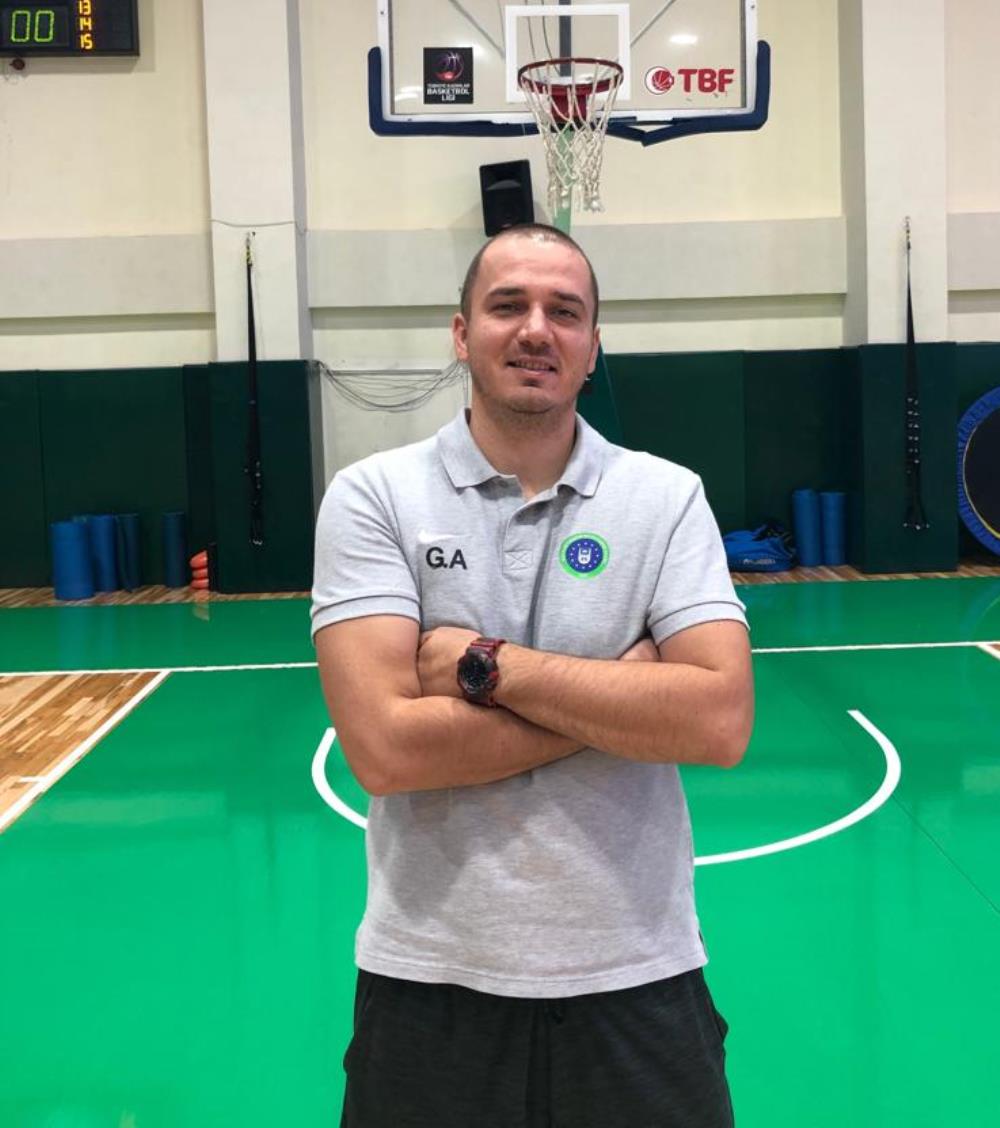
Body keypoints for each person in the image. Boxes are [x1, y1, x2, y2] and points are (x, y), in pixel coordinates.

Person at [312, 223, 754, 1128]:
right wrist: (623, 695)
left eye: (566, 311)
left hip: (639, 973)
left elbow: (716, 722)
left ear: (593, 347)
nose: (536, 330)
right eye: (507, 305)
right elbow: (387, 751)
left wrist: (484, 667)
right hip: (429, 982)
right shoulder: (373, 496)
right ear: (461, 332)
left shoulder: (666, 496)